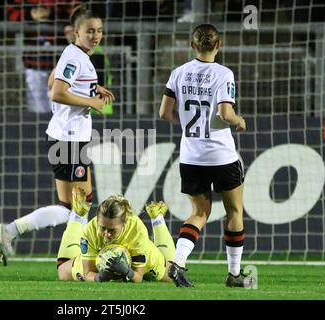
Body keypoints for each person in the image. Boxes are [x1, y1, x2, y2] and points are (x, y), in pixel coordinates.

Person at [0, 4, 115, 265]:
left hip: (65, 137)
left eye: (99, 31)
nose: (96, 36)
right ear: (76, 32)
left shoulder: (73, 54)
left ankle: (10, 231)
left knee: (69, 208)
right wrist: (90, 102)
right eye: (90, 31)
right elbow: (56, 92)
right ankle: (73, 259)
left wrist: (92, 88)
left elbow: (52, 82)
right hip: (69, 139)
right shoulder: (75, 56)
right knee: (81, 205)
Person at [159, 24, 247, 288]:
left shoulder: (178, 73)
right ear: (218, 46)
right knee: (234, 212)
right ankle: (234, 275)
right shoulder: (224, 73)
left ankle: (178, 262)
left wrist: (187, 124)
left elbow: (164, 113)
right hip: (221, 155)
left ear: (192, 45)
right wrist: (239, 120)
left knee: (198, 213)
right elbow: (224, 113)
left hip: (190, 156)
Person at [57, 187, 176, 283]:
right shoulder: (90, 230)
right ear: (97, 220)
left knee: (173, 273)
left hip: (141, 255)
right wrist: (99, 277)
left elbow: (138, 276)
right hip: (99, 253)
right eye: (102, 228)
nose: (106, 234)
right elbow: (88, 273)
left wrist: (127, 272)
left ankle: (157, 218)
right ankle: (77, 216)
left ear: (124, 224)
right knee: (62, 271)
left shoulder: (137, 230)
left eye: (112, 230)